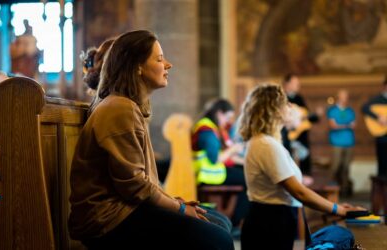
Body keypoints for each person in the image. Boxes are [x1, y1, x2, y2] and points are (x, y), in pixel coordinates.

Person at [68, 30, 234, 250]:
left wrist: (176, 203)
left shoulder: (125, 105)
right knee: (218, 239)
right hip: (109, 220)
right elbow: (135, 186)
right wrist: (180, 209)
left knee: (220, 222)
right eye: (159, 58)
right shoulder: (119, 108)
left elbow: (140, 181)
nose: (168, 65)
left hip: (125, 209)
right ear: (137, 66)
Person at [238, 83, 364, 250]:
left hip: (275, 220)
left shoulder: (267, 142)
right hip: (269, 223)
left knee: (337, 234)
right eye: (286, 103)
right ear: (275, 109)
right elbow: (299, 192)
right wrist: (338, 209)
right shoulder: (265, 144)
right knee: (341, 237)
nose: (291, 107)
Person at [191, 98, 249, 229]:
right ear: (219, 113)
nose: (228, 122)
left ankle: (235, 221)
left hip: (214, 172)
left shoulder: (211, 128)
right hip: (209, 175)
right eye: (227, 117)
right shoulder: (206, 129)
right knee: (249, 180)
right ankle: (235, 224)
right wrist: (233, 149)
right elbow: (215, 159)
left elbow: (225, 157)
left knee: (246, 176)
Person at [283, 73, 322, 177]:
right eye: (295, 83)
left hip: (301, 137)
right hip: (287, 136)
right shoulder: (281, 97)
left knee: (304, 164)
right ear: (287, 83)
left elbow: (306, 116)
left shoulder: (299, 98)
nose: (298, 85)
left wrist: (316, 116)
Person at [327, 89, 355, 196]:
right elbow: (333, 125)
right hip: (337, 142)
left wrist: (341, 125)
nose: (345, 98)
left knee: (346, 167)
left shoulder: (350, 111)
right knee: (335, 166)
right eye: (343, 96)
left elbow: (353, 125)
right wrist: (347, 125)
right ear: (338, 97)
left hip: (349, 142)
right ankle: (331, 190)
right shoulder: (332, 110)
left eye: (346, 96)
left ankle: (344, 191)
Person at [362, 76, 387, 177]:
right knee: (382, 160)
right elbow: (364, 108)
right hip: (381, 135)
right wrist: (378, 117)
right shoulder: (377, 99)